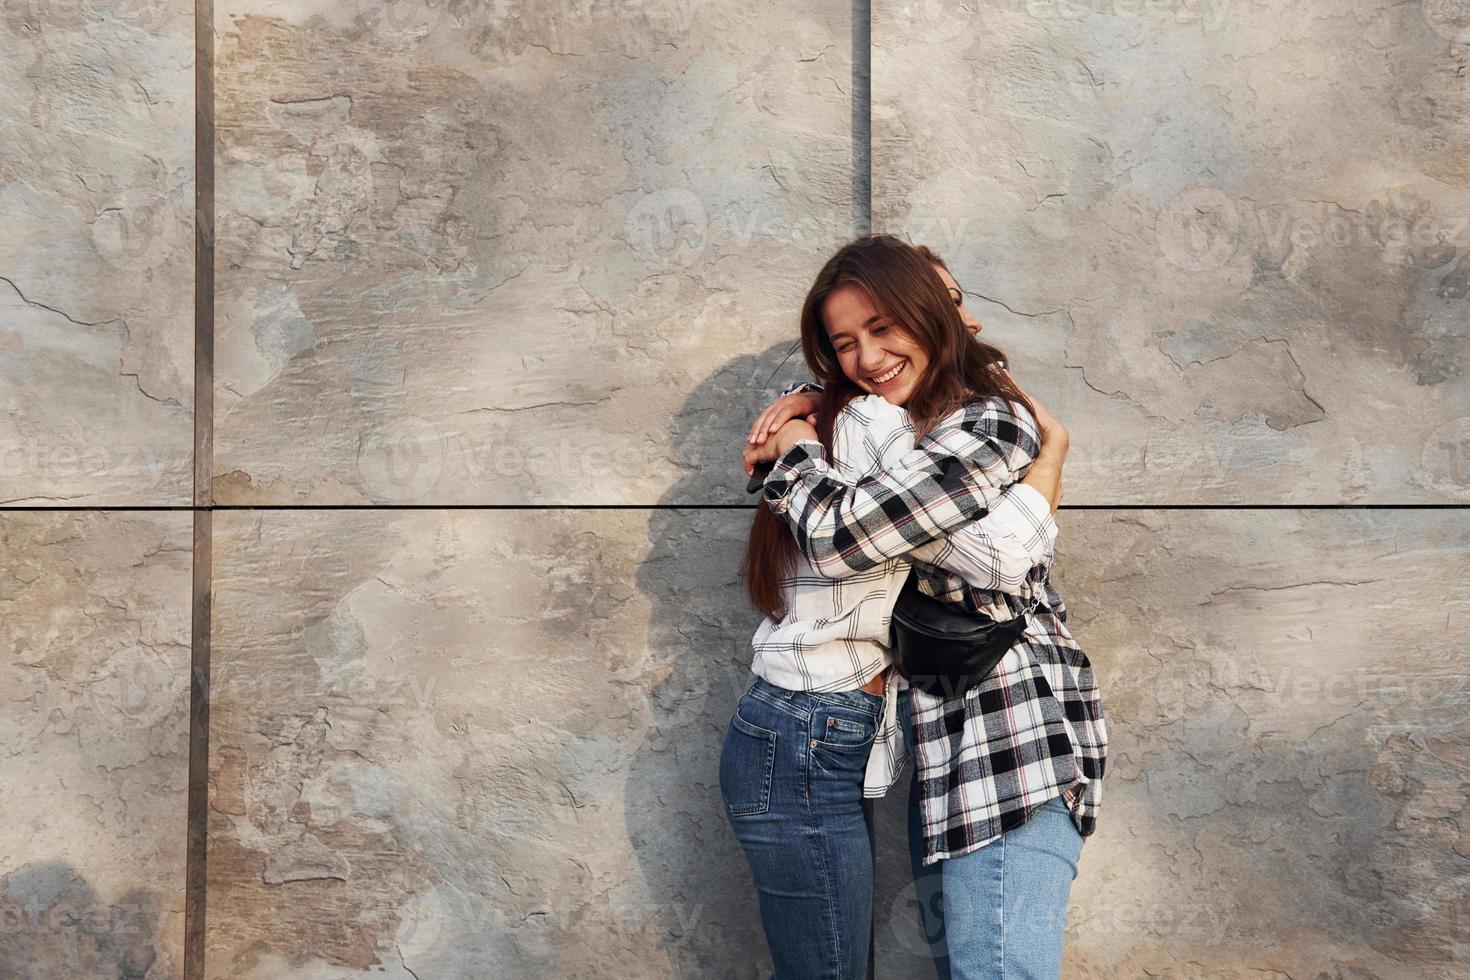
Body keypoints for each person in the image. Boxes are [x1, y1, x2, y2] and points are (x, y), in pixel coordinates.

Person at [735, 234, 1108, 979]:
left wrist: (802, 448)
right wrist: (820, 410)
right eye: (844, 344)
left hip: (1013, 735)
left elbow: (848, 537)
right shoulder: (896, 428)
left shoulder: (991, 421)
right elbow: (914, 533)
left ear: (934, 311)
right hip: (943, 742)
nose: (867, 359)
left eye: (882, 328)